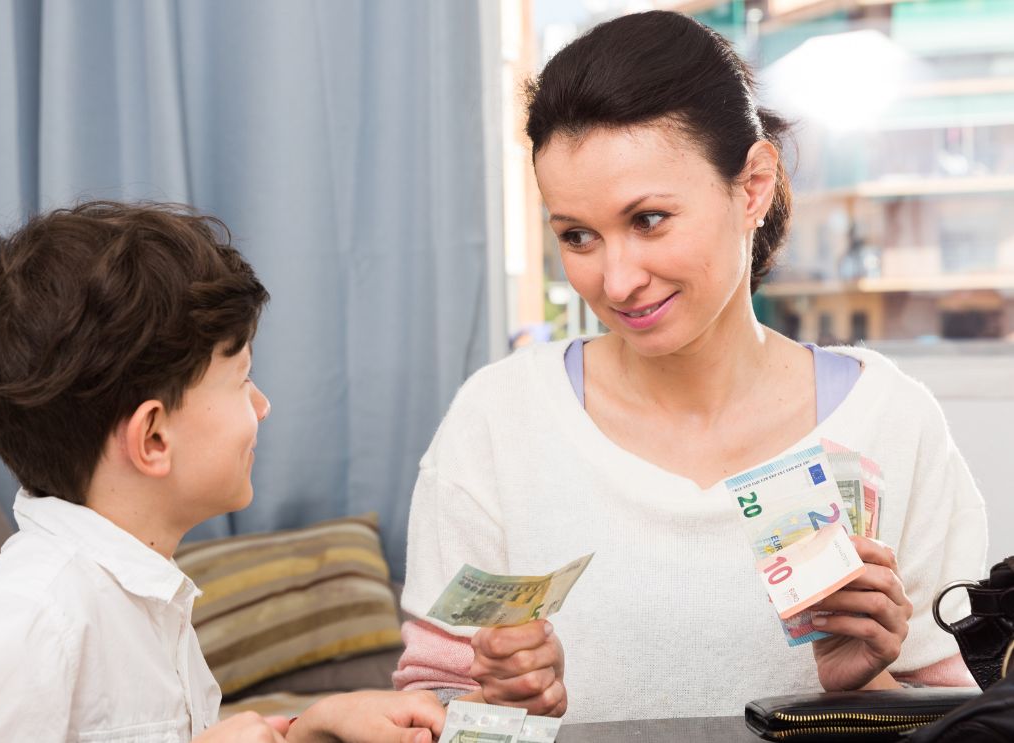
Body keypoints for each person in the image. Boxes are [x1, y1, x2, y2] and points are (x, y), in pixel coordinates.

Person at [393, 10, 989, 723]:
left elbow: (968, 722)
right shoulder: (498, 421)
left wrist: (867, 687)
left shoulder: (892, 419)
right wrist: (499, 700)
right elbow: (428, 711)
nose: (615, 282)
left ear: (751, 186)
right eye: (577, 236)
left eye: (648, 220)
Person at [0, 202, 446, 742]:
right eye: (241, 380)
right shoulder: (45, 610)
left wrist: (307, 730)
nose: (262, 405)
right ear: (152, 437)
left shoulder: (143, 594)